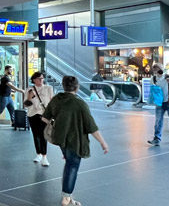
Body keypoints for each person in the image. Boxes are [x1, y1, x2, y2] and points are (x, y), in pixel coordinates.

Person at [42, 76, 109, 206]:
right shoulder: (79, 103)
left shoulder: (57, 99)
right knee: (72, 166)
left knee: (68, 164)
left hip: (60, 138)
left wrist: (60, 121)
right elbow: (91, 126)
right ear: (77, 87)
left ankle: (68, 195)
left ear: (64, 86)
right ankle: (66, 198)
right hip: (75, 140)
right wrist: (102, 142)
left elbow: (45, 118)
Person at [25, 72, 53, 166]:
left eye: (42, 78)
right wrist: (29, 97)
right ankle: (38, 154)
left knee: (43, 135)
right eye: (39, 79)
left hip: (44, 114)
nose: (41, 80)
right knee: (36, 134)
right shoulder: (29, 90)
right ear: (34, 80)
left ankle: (44, 155)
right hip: (33, 114)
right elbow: (25, 105)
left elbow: (52, 102)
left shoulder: (48, 88)